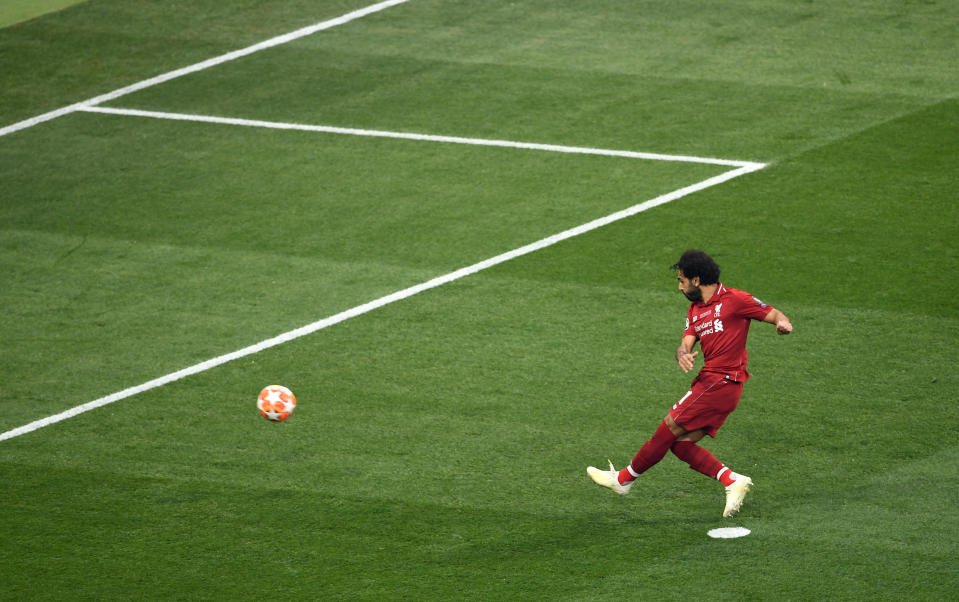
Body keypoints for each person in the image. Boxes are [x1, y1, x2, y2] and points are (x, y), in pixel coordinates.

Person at [587, 250, 792, 517]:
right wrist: (683, 354)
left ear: (696, 279)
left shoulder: (735, 300)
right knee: (679, 443)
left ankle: (624, 480)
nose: (679, 286)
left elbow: (773, 313)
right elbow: (686, 341)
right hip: (714, 384)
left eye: (682, 280)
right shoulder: (695, 309)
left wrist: (783, 324)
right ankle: (732, 480)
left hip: (721, 381)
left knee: (670, 425)